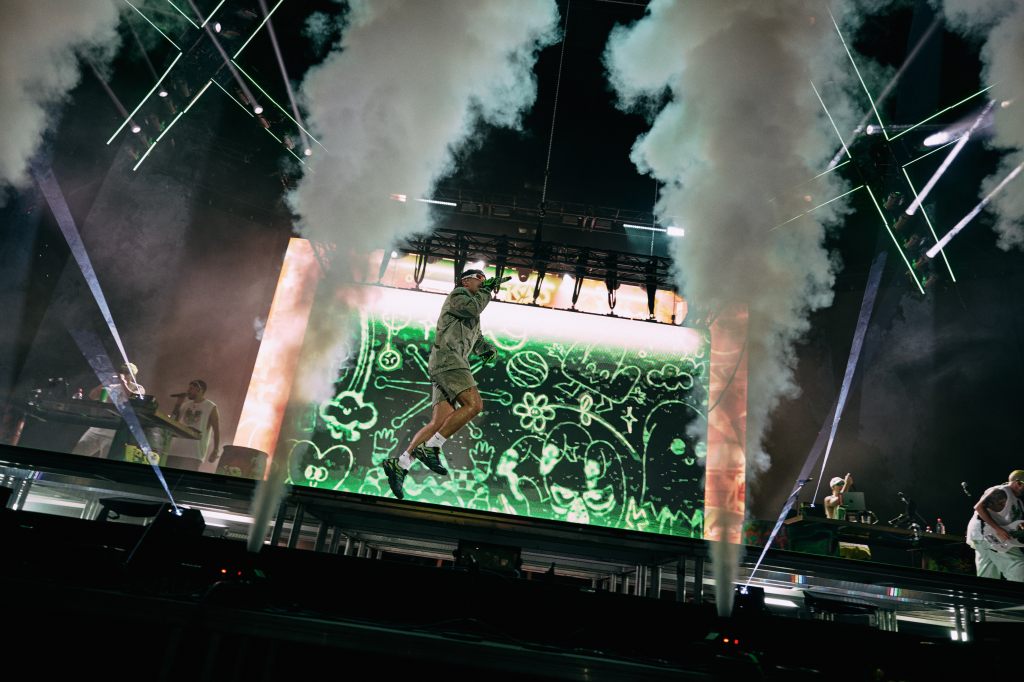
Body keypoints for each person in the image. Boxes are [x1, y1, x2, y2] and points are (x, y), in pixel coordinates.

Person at [382, 269, 509, 499]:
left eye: (485, 279)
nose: (483, 282)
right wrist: (487, 291)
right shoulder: (458, 295)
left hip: (446, 363)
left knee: (439, 421)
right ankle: (432, 446)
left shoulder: (471, 307)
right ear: (465, 281)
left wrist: (486, 350)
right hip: (450, 360)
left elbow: (476, 337)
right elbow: (473, 308)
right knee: (475, 405)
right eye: (479, 278)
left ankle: (401, 463)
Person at [71, 362, 145, 458]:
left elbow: (133, 400)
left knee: (106, 458)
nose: (123, 374)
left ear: (133, 375)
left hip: (115, 431)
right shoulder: (113, 386)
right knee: (78, 452)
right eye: (121, 371)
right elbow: (92, 396)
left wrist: (123, 383)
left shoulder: (138, 388)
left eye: (127, 372)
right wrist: (106, 382)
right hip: (99, 426)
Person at [966, 470, 1024, 582]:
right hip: (987, 533)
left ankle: (986, 594)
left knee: (988, 576)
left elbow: (1015, 524)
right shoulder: (1003, 491)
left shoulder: (1019, 503)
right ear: (1018, 483)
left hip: (983, 537)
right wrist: (998, 529)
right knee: (1019, 567)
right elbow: (979, 507)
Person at [165, 379, 221, 472]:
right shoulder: (185, 405)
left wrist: (215, 450)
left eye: (191, 388)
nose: (188, 391)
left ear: (200, 390)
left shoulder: (210, 407)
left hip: (193, 453)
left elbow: (216, 430)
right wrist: (177, 405)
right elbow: (173, 422)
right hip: (175, 450)